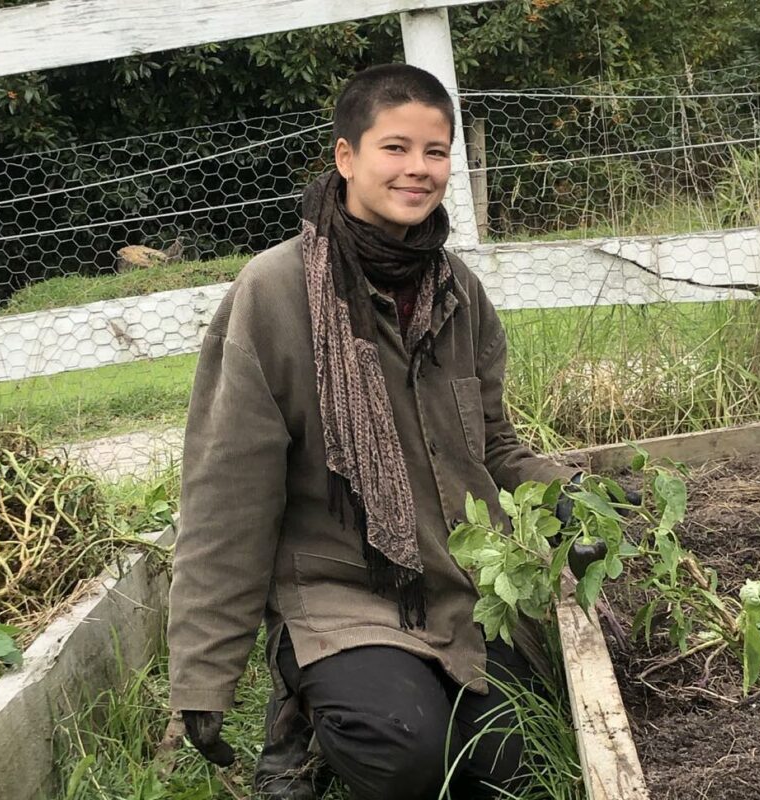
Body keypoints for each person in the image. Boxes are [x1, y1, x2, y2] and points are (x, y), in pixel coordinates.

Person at [167, 63, 593, 800]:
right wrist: (203, 675)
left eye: (434, 152)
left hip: (461, 583)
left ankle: (390, 701)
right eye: (395, 148)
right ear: (346, 157)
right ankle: (302, 714)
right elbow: (226, 493)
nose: (418, 170)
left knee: (514, 769)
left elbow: (492, 446)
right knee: (403, 753)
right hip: (342, 588)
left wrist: (576, 499)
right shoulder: (276, 293)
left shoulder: (457, 289)